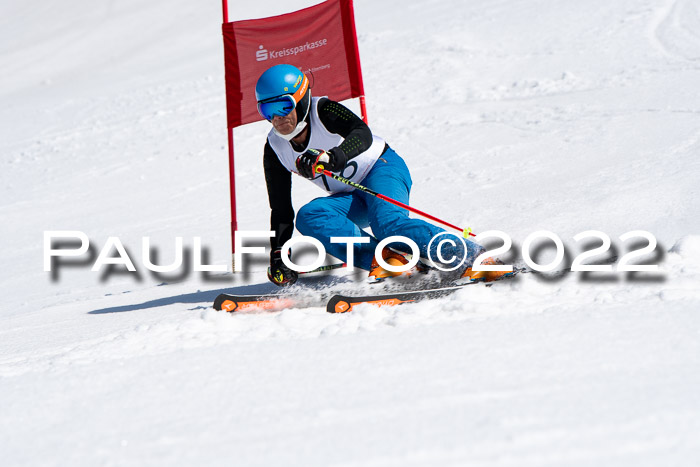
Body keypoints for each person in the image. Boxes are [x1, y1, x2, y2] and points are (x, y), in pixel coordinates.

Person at [256, 64, 501, 286]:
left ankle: (474, 256)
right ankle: (390, 261)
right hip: (350, 193)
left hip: (381, 168)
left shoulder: (324, 110)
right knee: (310, 216)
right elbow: (280, 209)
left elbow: (362, 133)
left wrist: (333, 156)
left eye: (284, 106)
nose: (277, 118)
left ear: (301, 100)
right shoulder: (275, 147)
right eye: (267, 110)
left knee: (389, 226)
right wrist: (278, 253)